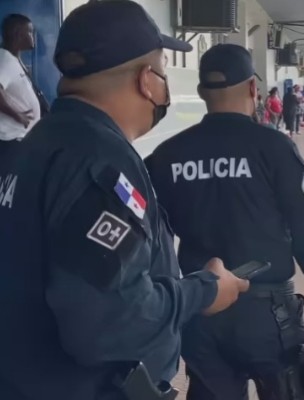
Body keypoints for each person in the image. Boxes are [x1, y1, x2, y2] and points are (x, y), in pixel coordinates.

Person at [0, 2, 248, 400]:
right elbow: (112, 323)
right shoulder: (99, 162)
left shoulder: (36, 143)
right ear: (146, 80)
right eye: (164, 71)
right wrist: (204, 291)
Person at [145, 43, 304, 400]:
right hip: (269, 316)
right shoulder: (273, 147)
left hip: (202, 311)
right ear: (253, 88)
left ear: (201, 92)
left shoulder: (167, 155)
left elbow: (148, 237)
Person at [0, 14, 41, 161]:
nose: (33, 36)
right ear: (18, 34)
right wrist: (18, 115)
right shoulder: (4, 59)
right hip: (10, 140)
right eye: (29, 31)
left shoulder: (13, 59)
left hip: (19, 138)